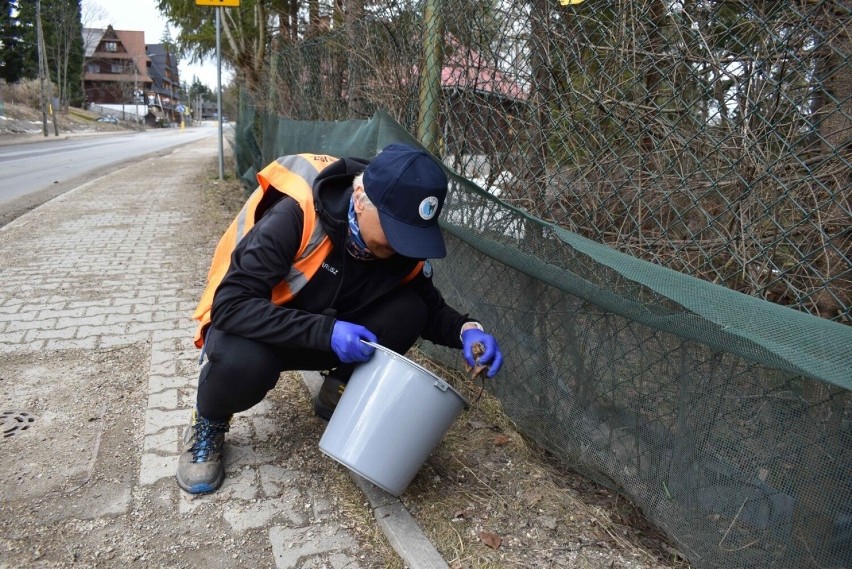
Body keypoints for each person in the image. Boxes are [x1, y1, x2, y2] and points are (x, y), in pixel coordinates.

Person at [176, 143, 504, 494]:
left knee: (411, 309)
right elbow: (231, 306)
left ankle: (338, 391)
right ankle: (208, 419)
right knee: (242, 363)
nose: (401, 246)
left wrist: (467, 331)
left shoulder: (401, 247)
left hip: (333, 336)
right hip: (263, 331)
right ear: (360, 198)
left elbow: (429, 307)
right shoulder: (296, 216)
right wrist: (325, 331)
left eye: (410, 234)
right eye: (394, 230)